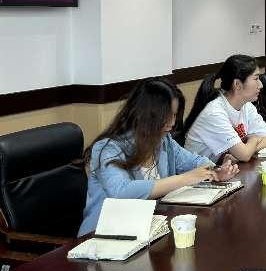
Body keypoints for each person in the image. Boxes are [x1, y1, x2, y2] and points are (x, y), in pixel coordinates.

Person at [79, 78, 240, 236]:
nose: (172, 123)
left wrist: (215, 171)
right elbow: (121, 192)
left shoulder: (163, 141)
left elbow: (195, 161)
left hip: (148, 229)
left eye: (174, 115)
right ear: (146, 115)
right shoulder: (107, 148)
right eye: (166, 116)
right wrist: (185, 179)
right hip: (103, 235)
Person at [183, 54, 266, 162]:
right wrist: (254, 139)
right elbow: (244, 155)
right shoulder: (215, 112)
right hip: (198, 171)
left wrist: (247, 150)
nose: (261, 85)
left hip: (222, 169)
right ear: (237, 84)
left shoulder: (246, 105)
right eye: (256, 78)